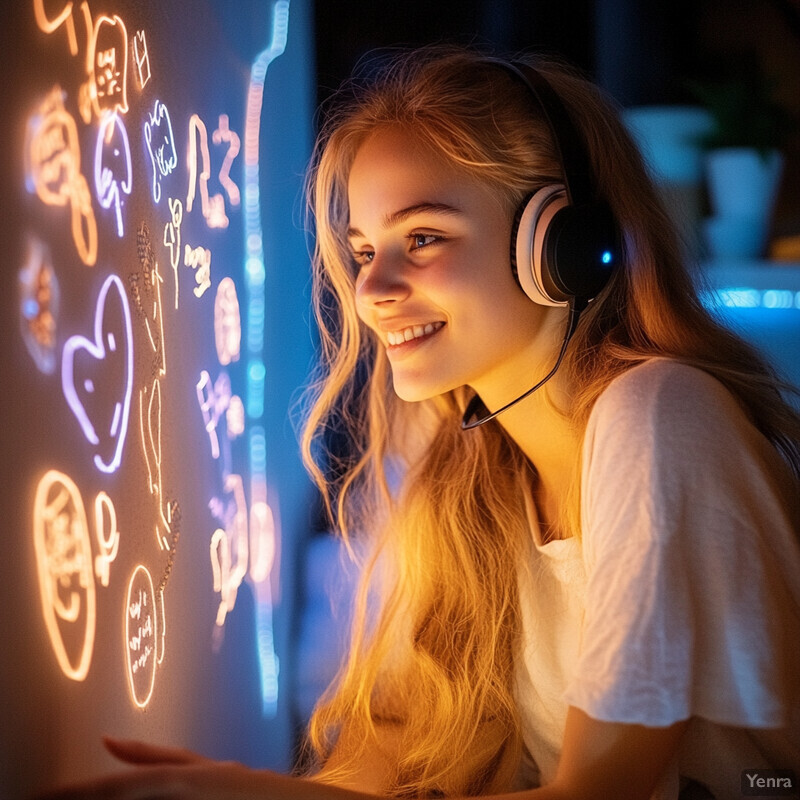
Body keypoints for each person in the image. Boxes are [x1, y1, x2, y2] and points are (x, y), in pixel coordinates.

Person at [39, 45, 800, 800]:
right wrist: (227, 786)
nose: (372, 288)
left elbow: (601, 793)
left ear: (560, 249)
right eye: (365, 250)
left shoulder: (657, 415)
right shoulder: (466, 459)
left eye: (424, 238)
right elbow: (388, 747)